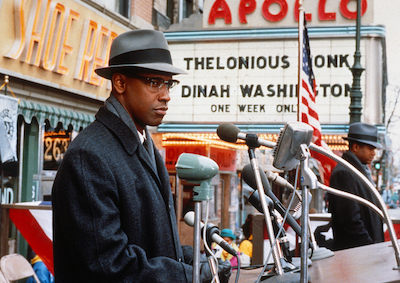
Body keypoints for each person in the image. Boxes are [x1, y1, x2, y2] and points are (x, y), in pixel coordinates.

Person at [52, 30, 231, 283]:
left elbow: (154, 242)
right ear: (120, 83)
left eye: (168, 83)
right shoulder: (89, 157)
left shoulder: (142, 143)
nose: (166, 95)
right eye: (153, 82)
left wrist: (196, 261)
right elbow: (108, 266)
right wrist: (186, 275)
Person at [328, 122, 384, 251]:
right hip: (358, 254)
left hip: (362, 252)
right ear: (355, 147)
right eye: (370, 148)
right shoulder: (345, 173)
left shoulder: (356, 171)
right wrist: (370, 247)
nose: (373, 153)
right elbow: (350, 221)